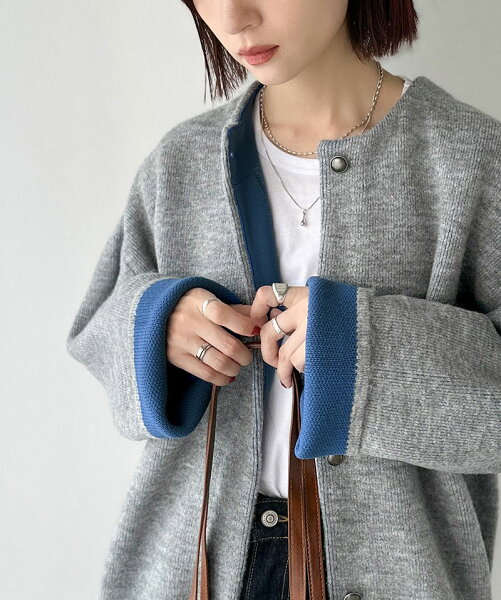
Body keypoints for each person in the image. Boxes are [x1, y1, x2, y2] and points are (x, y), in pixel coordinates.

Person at [66, 0, 501, 598]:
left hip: (399, 570)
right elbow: (97, 327)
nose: (233, 18)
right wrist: (157, 324)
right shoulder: (180, 162)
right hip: (193, 565)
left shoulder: (471, 160)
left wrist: (358, 349)